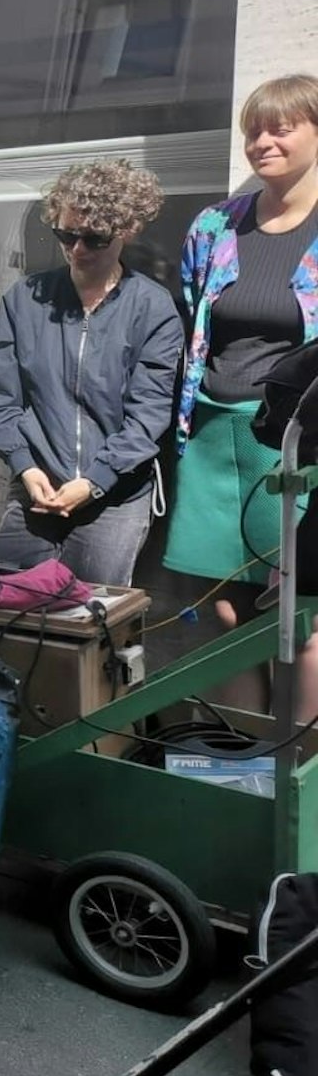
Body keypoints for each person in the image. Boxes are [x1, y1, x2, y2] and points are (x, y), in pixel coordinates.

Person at [167, 74, 318, 711]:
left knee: (301, 610)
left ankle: (301, 777)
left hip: (291, 443)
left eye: (280, 126)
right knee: (216, 602)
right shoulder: (214, 225)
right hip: (209, 433)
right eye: (253, 129)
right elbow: (190, 316)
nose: (262, 140)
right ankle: (245, 766)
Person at [0, 160, 183, 587]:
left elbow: (149, 416)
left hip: (116, 494)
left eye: (94, 239)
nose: (77, 250)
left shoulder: (153, 308)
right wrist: (26, 467)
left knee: (93, 622)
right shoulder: (25, 300)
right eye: (66, 235)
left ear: (125, 230)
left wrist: (96, 480)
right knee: (10, 611)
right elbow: (2, 401)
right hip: (37, 484)